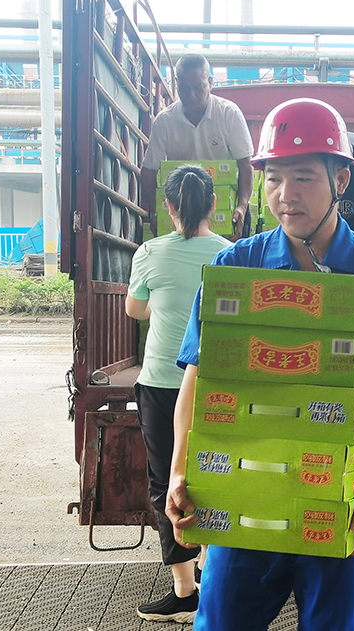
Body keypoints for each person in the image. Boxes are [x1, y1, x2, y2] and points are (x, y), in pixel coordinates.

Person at [165, 98, 354, 630]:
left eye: (303, 177)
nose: (286, 194)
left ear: (341, 180)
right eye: (274, 178)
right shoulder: (237, 264)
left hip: (334, 497)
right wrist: (179, 470)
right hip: (243, 491)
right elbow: (198, 373)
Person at [125, 165, 231, 623]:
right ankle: (211, 572)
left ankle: (185, 590)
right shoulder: (231, 253)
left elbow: (135, 308)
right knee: (217, 476)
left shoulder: (149, 252)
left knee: (165, 482)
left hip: (162, 383)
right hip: (215, 384)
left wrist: (162, 301)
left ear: (167, 206)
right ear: (213, 204)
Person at [140, 53, 254, 241]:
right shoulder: (165, 121)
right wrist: (154, 211)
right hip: (182, 208)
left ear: (210, 82)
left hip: (226, 208)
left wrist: (241, 206)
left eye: (198, 87)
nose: (191, 95)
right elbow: (148, 171)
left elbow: (245, 165)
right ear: (176, 84)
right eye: (184, 88)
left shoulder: (228, 113)